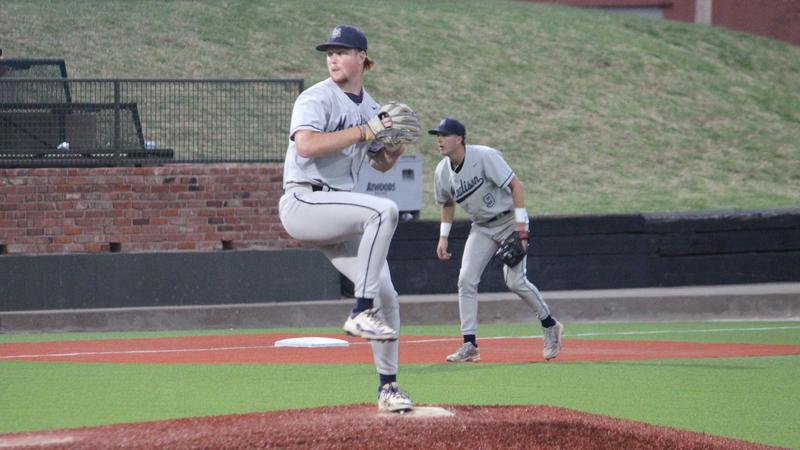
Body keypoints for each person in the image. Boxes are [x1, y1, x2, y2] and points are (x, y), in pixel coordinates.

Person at [278, 24, 414, 412]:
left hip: (337, 212)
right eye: (329, 52)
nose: (333, 58)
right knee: (383, 210)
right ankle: (359, 310)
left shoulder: (371, 109)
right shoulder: (316, 97)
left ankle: (388, 388)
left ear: (362, 59)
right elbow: (305, 146)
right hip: (304, 202)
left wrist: (393, 150)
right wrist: (363, 131)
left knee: (388, 294)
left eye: (341, 51)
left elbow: (379, 162)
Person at [430, 117, 564, 363]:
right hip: (481, 227)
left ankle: (549, 324)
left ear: (459, 139)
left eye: (444, 135)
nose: (439, 139)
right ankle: (469, 345)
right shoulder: (442, 171)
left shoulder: (484, 157)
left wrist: (521, 229)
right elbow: (447, 203)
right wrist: (443, 237)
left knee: (514, 281)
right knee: (465, 279)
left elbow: (517, 186)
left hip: (509, 221)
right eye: (437, 135)